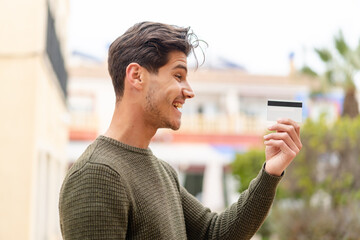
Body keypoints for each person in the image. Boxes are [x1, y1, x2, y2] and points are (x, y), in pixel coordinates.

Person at [59, 21, 302, 240]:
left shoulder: (163, 171)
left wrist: (272, 170)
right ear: (136, 76)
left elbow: (215, 233)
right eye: (178, 75)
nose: (189, 91)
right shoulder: (97, 174)